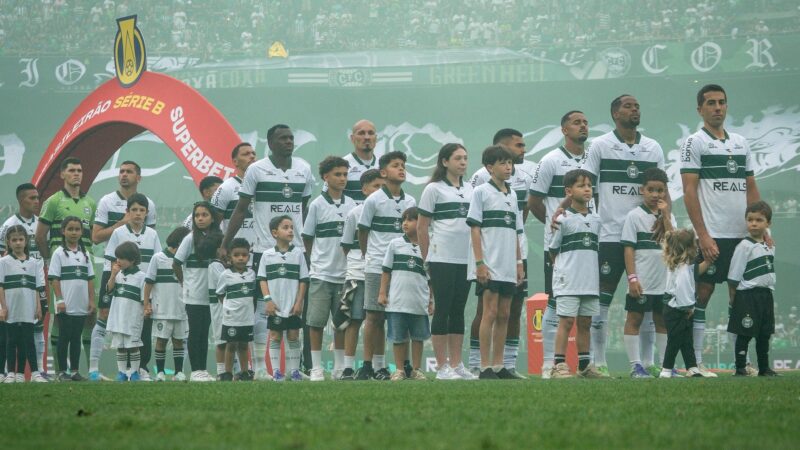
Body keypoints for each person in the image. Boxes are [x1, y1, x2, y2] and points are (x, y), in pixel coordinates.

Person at [680, 84, 762, 377]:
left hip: (741, 236)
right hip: (712, 234)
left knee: (740, 297)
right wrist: (703, 235)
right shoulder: (694, 142)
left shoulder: (740, 142)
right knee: (701, 294)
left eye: (722, 102)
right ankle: (695, 361)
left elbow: (750, 187)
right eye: (711, 103)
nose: (718, 107)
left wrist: (760, 229)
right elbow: (689, 191)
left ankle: (742, 362)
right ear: (700, 109)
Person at [582, 94, 665, 376]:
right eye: (628, 106)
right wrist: (591, 221)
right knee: (602, 301)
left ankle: (649, 363)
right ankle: (599, 362)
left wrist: (666, 220)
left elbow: (663, 191)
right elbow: (587, 187)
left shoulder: (653, 147)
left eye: (637, 106)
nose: (635, 109)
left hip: (646, 238)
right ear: (615, 113)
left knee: (649, 302)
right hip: (609, 235)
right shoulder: (600, 145)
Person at [528, 111, 589, 377]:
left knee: (587, 306)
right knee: (555, 302)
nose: (583, 126)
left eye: (585, 122)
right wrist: (558, 226)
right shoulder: (550, 160)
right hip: (560, 249)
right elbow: (533, 202)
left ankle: (587, 364)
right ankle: (548, 365)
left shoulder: (592, 158)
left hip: (587, 248)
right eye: (577, 122)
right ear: (564, 129)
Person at [468, 129, 533, 379]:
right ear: (489, 167)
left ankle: (499, 365)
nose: (508, 167)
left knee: (505, 313)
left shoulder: (513, 194)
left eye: (509, 163)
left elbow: (516, 230)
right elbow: (475, 229)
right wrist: (480, 263)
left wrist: (518, 262)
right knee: (490, 312)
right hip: (489, 263)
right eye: (503, 163)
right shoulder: (481, 192)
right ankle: (484, 366)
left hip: (508, 264)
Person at [90, 161, 157, 381]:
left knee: (142, 320)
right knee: (105, 317)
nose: (124, 175)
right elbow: (97, 238)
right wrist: (120, 223)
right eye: (121, 171)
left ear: (139, 177)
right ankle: (94, 369)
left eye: (129, 172)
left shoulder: (150, 205)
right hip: (115, 276)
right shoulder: (107, 201)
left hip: (141, 280)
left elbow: (150, 245)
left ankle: (140, 369)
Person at [417, 143, 475, 380]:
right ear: (444, 162)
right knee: (443, 309)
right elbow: (422, 227)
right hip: (441, 258)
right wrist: (426, 259)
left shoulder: (472, 189)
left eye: (465, 158)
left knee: (458, 309)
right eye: (458, 158)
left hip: (466, 259)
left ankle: (457, 364)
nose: (463, 162)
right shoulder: (433, 189)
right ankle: (442, 367)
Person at [357, 151, 417, 380]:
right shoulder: (373, 200)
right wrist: (369, 256)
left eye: (403, 165)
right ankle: (368, 365)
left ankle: (404, 366)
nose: (401, 168)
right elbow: (363, 231)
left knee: (404, 315)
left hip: (402, 268)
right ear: (383, 172)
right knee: (374, 316)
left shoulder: (410, 201)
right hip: (376, 266)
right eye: (395, 165)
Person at [35, 157, 96, 376]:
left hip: (84, 263)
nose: (76, 174)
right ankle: (60, 371)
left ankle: (91, 371)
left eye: (79, 170)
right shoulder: (53, 201)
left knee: (89, 316)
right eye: (71, 170)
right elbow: (40, 236)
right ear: (62, 174)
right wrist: (49, 259)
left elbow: (92, 236)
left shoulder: (90, 203)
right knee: (60, 318)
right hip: (62, 268)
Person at [209, 143, 264, 378]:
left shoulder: (262, 184)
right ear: (235, 161)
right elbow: (214, 223)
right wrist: (223, 251)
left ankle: (255, 368)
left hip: (258, 255)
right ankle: (225, 370)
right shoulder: (226, 188)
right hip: (234, 259)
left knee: (257, 313)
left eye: (254, 153)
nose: (252, 157)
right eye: (246, 154)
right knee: (231, 317)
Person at [303, 156, 355, 381]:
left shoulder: (352, 204)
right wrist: (317, 260)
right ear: (326, 177)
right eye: (337, 174)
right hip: (321, 274)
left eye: (345, 174)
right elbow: (307, 237)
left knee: (341, 323)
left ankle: (340, 367)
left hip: (345, 274)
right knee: (316, 323)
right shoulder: (317, 205)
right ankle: (316, 368)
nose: (342, 178)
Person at [620, 168, 675, 378]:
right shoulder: (634, 216)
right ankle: (635, 366)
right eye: (651, 190)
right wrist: (632, 278)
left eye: (660, 190)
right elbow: (628, 249)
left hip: (664, 281)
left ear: (665, 192)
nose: (655, 194)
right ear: (642, 190)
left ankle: (666, 367)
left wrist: (665, 216)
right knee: (634, 319)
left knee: (663, 322)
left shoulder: (668, 217)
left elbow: (673, 243)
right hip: (642, 280)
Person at [548, 169, 603, 379]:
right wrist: (564, 270)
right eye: (581, 186)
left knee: (585, 322)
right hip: (569, 280)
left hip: (590, 280)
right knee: (566, 322)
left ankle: (584, 366)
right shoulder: (562, 219)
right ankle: (559, 365)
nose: (587, 189)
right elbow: (553, 250)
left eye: (589, 185)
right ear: (569, 191)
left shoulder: (597, 219)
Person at [103, 193, 162, 381]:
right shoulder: (118, 233)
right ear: (127, 211)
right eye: (134, 210)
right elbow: (111, 260)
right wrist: (113, 277)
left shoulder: (152, 234)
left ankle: (141, 368)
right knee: (123, 331)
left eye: (141, 210)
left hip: (144, 290)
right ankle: (124, 370)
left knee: (144, 330)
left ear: (147, 213)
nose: (137, 213)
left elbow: (158, 262)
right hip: (124, 290)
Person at [339, 169, 384, 380]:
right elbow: (346, 245)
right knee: (354, 320)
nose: (380, 191)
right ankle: (348, 367)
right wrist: (359, 263)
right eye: (376, 186)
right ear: (364, 189)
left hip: (380, 271)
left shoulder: (390, 209)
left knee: (378, 321)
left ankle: (379, 367)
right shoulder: (355, 213)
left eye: (383, 187)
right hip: (358, 272)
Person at [379, 207, 431, 381]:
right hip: (397, 302)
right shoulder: (395, 244)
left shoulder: (428, 246)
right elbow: (386, 271)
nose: (405, 223)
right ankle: (399, 370)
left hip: (419, 302)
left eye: (410, 220)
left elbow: (430, 278)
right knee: (398, 338)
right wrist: (382, 293)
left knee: (418, 338)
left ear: (420, 222)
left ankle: (416, 369)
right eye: (403, 220)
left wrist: (431, 300)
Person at [727, 201, 778, 376]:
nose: (754, 223)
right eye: (750, 220)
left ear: (768, 223)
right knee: (745, 332)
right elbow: (734, 276)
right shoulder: (744, 246)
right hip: (747, 296)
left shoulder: (769, 245)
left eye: (759, 220)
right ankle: (740, 368)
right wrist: (733, 298)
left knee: (764, 334)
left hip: (766, 294)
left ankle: (764, 368)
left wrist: (767, 235)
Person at [0, 183, 46, 377]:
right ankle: (8, 371)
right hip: (13, 287)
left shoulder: (41, 224)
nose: (36, 201)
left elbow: (45, 252)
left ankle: (40, 370)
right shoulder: (8, 225)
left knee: (37, 325)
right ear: (21, 200)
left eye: (37, 198)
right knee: (10, 331)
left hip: (35, 281)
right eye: (32, 198)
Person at [174, 201, 222, 382]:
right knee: (195, 331)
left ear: (212, 218)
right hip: (194, 294)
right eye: (197, 215)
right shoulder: (190, 238)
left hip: (211, 294)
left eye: (204, 215)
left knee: (205, 332)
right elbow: (176, 263)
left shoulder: (219, 237)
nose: (200, 218)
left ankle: (203, 369)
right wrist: (184, 282)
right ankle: (195, 370)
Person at [257, 215, 309, 382]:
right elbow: (262, 279)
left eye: (292, 227)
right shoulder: (267, 255)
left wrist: (299, 302)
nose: (290, 230)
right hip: (276, 306)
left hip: (293, 306)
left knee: (293, 336)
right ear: (275, 233)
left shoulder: (298, 254)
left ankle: (294, 371)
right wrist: (268, 300)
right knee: (275, 336)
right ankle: (276, 372)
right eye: (285, 227)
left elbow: (303, 280)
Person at [48, 217, 95, 381]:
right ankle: (61, 372)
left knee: (76, 338)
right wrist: (60, 300)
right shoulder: (59, 253)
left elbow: (90, 279)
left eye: (77, 229)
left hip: (81, 305)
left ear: (82, 232)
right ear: (63, 231)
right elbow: (54, 279)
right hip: (65, 305)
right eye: (70, 229)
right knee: (64, 337)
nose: (74, 232)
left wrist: (91, 301)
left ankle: (74, 371)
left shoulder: (85, 253)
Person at [660, 229, 709, 378]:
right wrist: (687, 308)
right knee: (675, 340)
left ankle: (692, 367)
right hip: (678, 310)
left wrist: (709, 261)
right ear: (688, 248)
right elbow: (682, 289)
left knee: (687, 340)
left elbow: (694, 271)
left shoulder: (681, 265)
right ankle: (666, 370)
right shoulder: (682, 268)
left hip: (675, 308)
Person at [144, 227, 190, 382]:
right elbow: (148, 283)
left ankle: (178, 372)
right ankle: (160, 373)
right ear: (181, 242)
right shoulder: (158, 258)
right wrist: (146, 305)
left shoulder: (185, 260)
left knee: (178, 341)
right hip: (162, 309)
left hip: (181, 309)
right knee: (161, 341)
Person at [216, 238, 256, 381]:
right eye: (236, 255)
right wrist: (228, 307)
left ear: (248, 257)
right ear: (230, 257)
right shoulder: (226, 275)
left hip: (247, 318)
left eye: (244, 255)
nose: (240, 258)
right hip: (231, 318)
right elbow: (220, 293)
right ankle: (228, 373)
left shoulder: (252, 274)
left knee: (244, 345)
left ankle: (244, 372)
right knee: (231, 344)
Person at [106, 241, 147, 382]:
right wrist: (113, 275)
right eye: (117, 257)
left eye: (122, 258)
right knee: (120, 346)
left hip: (132, 318)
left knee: (133, 346)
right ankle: (122, 373)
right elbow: (109, 289)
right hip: (117, 318)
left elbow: (144, 298)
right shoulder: (117, 274)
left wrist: (146, 309)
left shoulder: (142, 277)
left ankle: (135, 372)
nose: (118, 261)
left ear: (132, 260)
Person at [342, 119, 378, 202]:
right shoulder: (341, 165)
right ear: (352, 138)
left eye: (371, 133)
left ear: (376, 138)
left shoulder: (384, 165)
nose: (367, 137)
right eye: (361, 133)